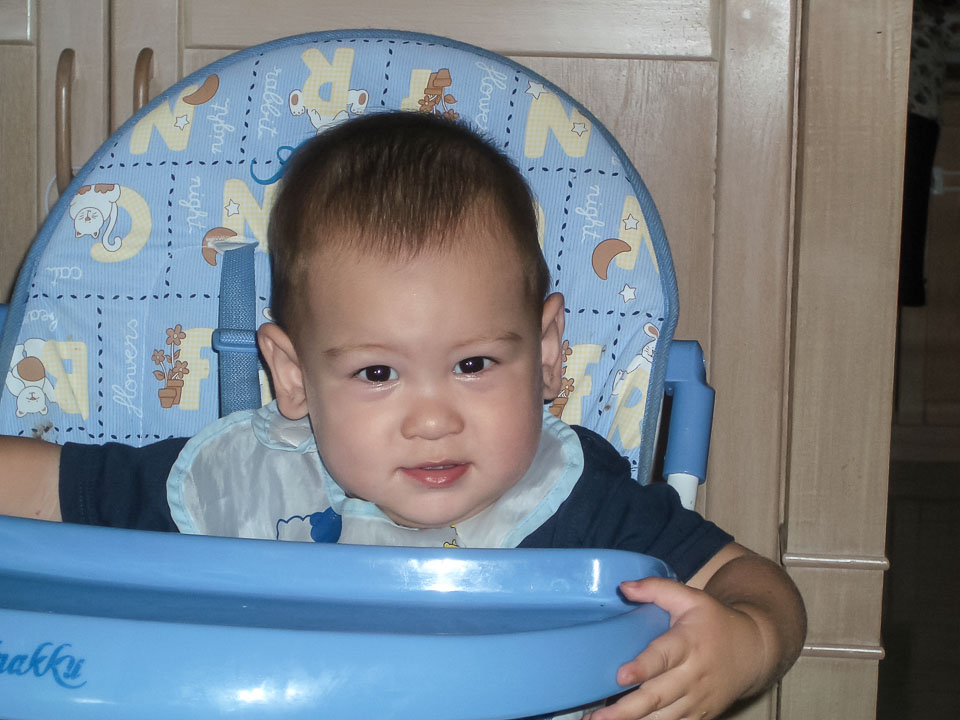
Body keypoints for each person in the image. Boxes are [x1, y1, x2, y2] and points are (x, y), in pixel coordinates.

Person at [0, 110, 805, 720]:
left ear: (547, 352)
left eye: (474, 365)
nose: (432, 420)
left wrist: (748, 642)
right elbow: (42, 491)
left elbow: (756, 585)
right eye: (378, 373)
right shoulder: (243, 482)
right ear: (293, 376)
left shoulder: (581, 504)